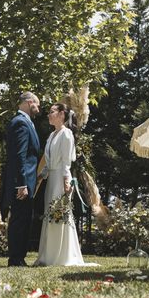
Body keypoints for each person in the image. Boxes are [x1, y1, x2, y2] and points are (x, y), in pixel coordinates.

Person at [35, 103, 95, 266]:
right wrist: (41, 176)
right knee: (50, 214)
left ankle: (60, 256)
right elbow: (49, 162)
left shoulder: (66, 134)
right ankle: (47, 255)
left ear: (62, 114)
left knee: (59, 214)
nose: (49, 115)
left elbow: (66, 163)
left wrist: (66, 182)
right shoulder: (52, 135)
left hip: (61, 180)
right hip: (51, 180)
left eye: (52, 112)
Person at [0, 92, 41, 267]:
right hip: (22, 183)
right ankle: (15, 259)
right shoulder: (20, 123)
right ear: (29, 102)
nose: (38, 108)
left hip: (28, 181)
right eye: (37, 105)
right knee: (19, 220)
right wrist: (21, 184)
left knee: (24, 219)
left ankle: (19, 258)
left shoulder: (26, 122)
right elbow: (19, 156)